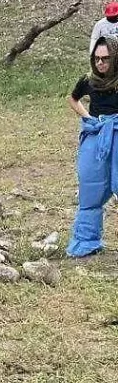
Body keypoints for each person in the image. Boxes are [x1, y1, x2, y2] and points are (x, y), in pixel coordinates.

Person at [67, 37, 118, 257]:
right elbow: (73, 98)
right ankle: (86, 242)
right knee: (90, 187)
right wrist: (88, 118)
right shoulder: (89, 80)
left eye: (105, 58)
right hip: (96, 134)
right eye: (97, 58)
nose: (100, 63)